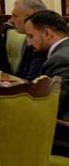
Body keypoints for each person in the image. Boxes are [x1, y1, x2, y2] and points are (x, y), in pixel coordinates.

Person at [24, 9, 69, 156]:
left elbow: (52, 104)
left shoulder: (60, 60)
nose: (28, 43)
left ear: (48, 34)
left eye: (31, 36)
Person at [9, 0, 49, 80]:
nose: (11, 20)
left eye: (15, 16)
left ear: (31, 17)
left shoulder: (43, 42)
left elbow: (32, 80)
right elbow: (21, 75)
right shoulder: (28, 38)